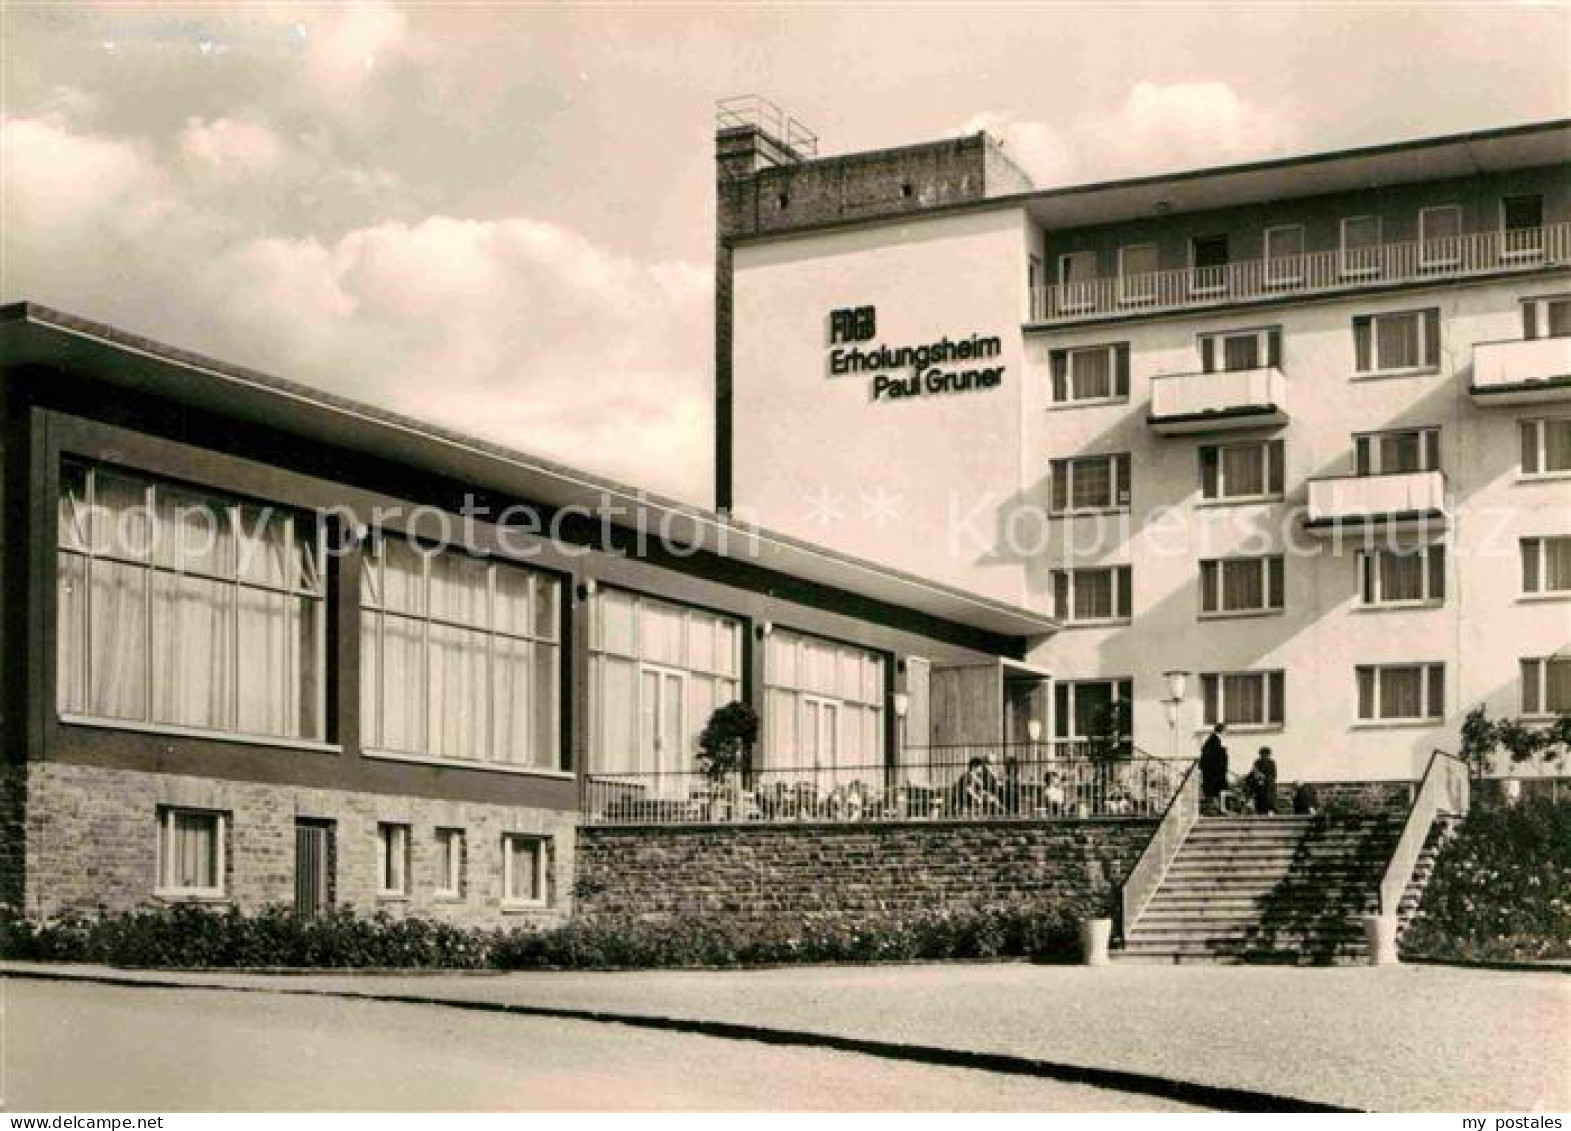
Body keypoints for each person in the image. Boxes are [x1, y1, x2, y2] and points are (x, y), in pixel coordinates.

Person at [1200, 724, 1229, 813]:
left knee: (1217, 790)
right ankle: (1219, 808)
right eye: (1225, 731)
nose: (1226, 733)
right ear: (1222, 731)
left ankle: (1219, 808)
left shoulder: (1213, 739)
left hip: (1215, 771)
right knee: (1218, 789)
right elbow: (1212, 755)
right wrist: (1223, 751)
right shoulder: (1214, 740)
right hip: (1215, 771)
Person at [1252, 747, 1279, 815]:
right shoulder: (1257, 762)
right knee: (1259, 802)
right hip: (1259, 786)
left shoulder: (1271, 762)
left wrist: (1264, 777)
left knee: (1269, 801)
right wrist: (1257, 777)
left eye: (1265, 754)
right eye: (1262, 754)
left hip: (1268, 786)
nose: (1263, 756)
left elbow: (1273, 775)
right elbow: (1254, 772)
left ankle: (1270, 811)